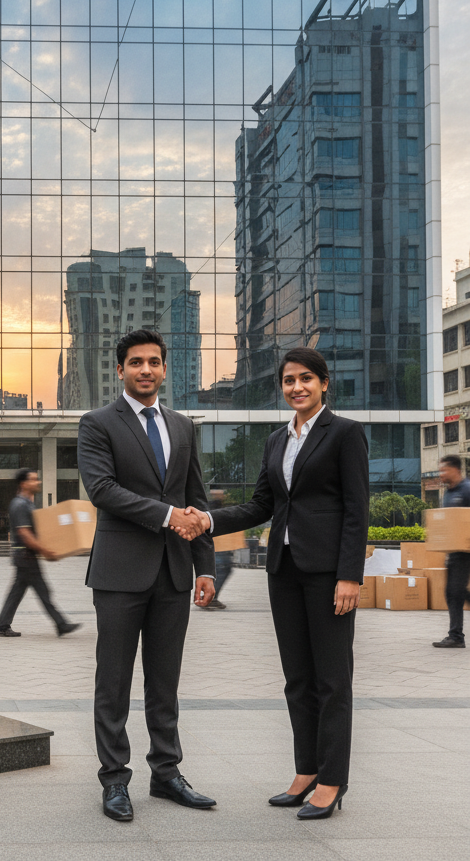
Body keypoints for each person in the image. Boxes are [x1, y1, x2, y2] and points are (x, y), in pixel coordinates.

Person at [174, 346, 369, 820]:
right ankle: (305, 772)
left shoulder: (344, 434)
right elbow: (262, 505)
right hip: (283, 571)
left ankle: (332, 780)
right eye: (288, 381)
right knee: (297, 679)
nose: (297, 387)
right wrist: (207, 521)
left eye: (306, 378)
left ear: (324, 383)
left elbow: (356, 511)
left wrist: (349, 576)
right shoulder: (276, 441)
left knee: (332, 680)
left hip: (327, 575)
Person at [76, 329, 217, 823]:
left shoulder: (182, 426)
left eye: (154, 362)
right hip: (119, 573)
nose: (145, 370)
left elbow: (195, 498)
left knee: (165, 680)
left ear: (164, 369)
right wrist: (166, 516)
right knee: (113, 681)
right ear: (120, 370)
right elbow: (102, 489)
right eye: (136, 362)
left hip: (175, 573)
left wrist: (205, 567)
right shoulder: (97, 424)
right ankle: (114, 779)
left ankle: (167, 773)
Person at [0, 469, 82, 639]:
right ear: (23, 484)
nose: (38, 482)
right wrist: (45, 551)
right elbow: (25, 534)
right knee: (43, 591)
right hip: (25, 556)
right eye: (34, 480)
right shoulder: (20, 504)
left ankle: (2, 626)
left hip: (25, 556)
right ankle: (61, 624)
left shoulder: (27, 503)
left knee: (17, 592)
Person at [432, 454, 470, 649]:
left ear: (456, 469)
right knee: (454, 592)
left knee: (455, 592)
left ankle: (456, 636)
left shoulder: (467, 489)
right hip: (454, 551)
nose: (441, 474)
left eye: (444, 469)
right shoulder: (448, 493)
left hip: (467, 551)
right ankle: (456, 635)